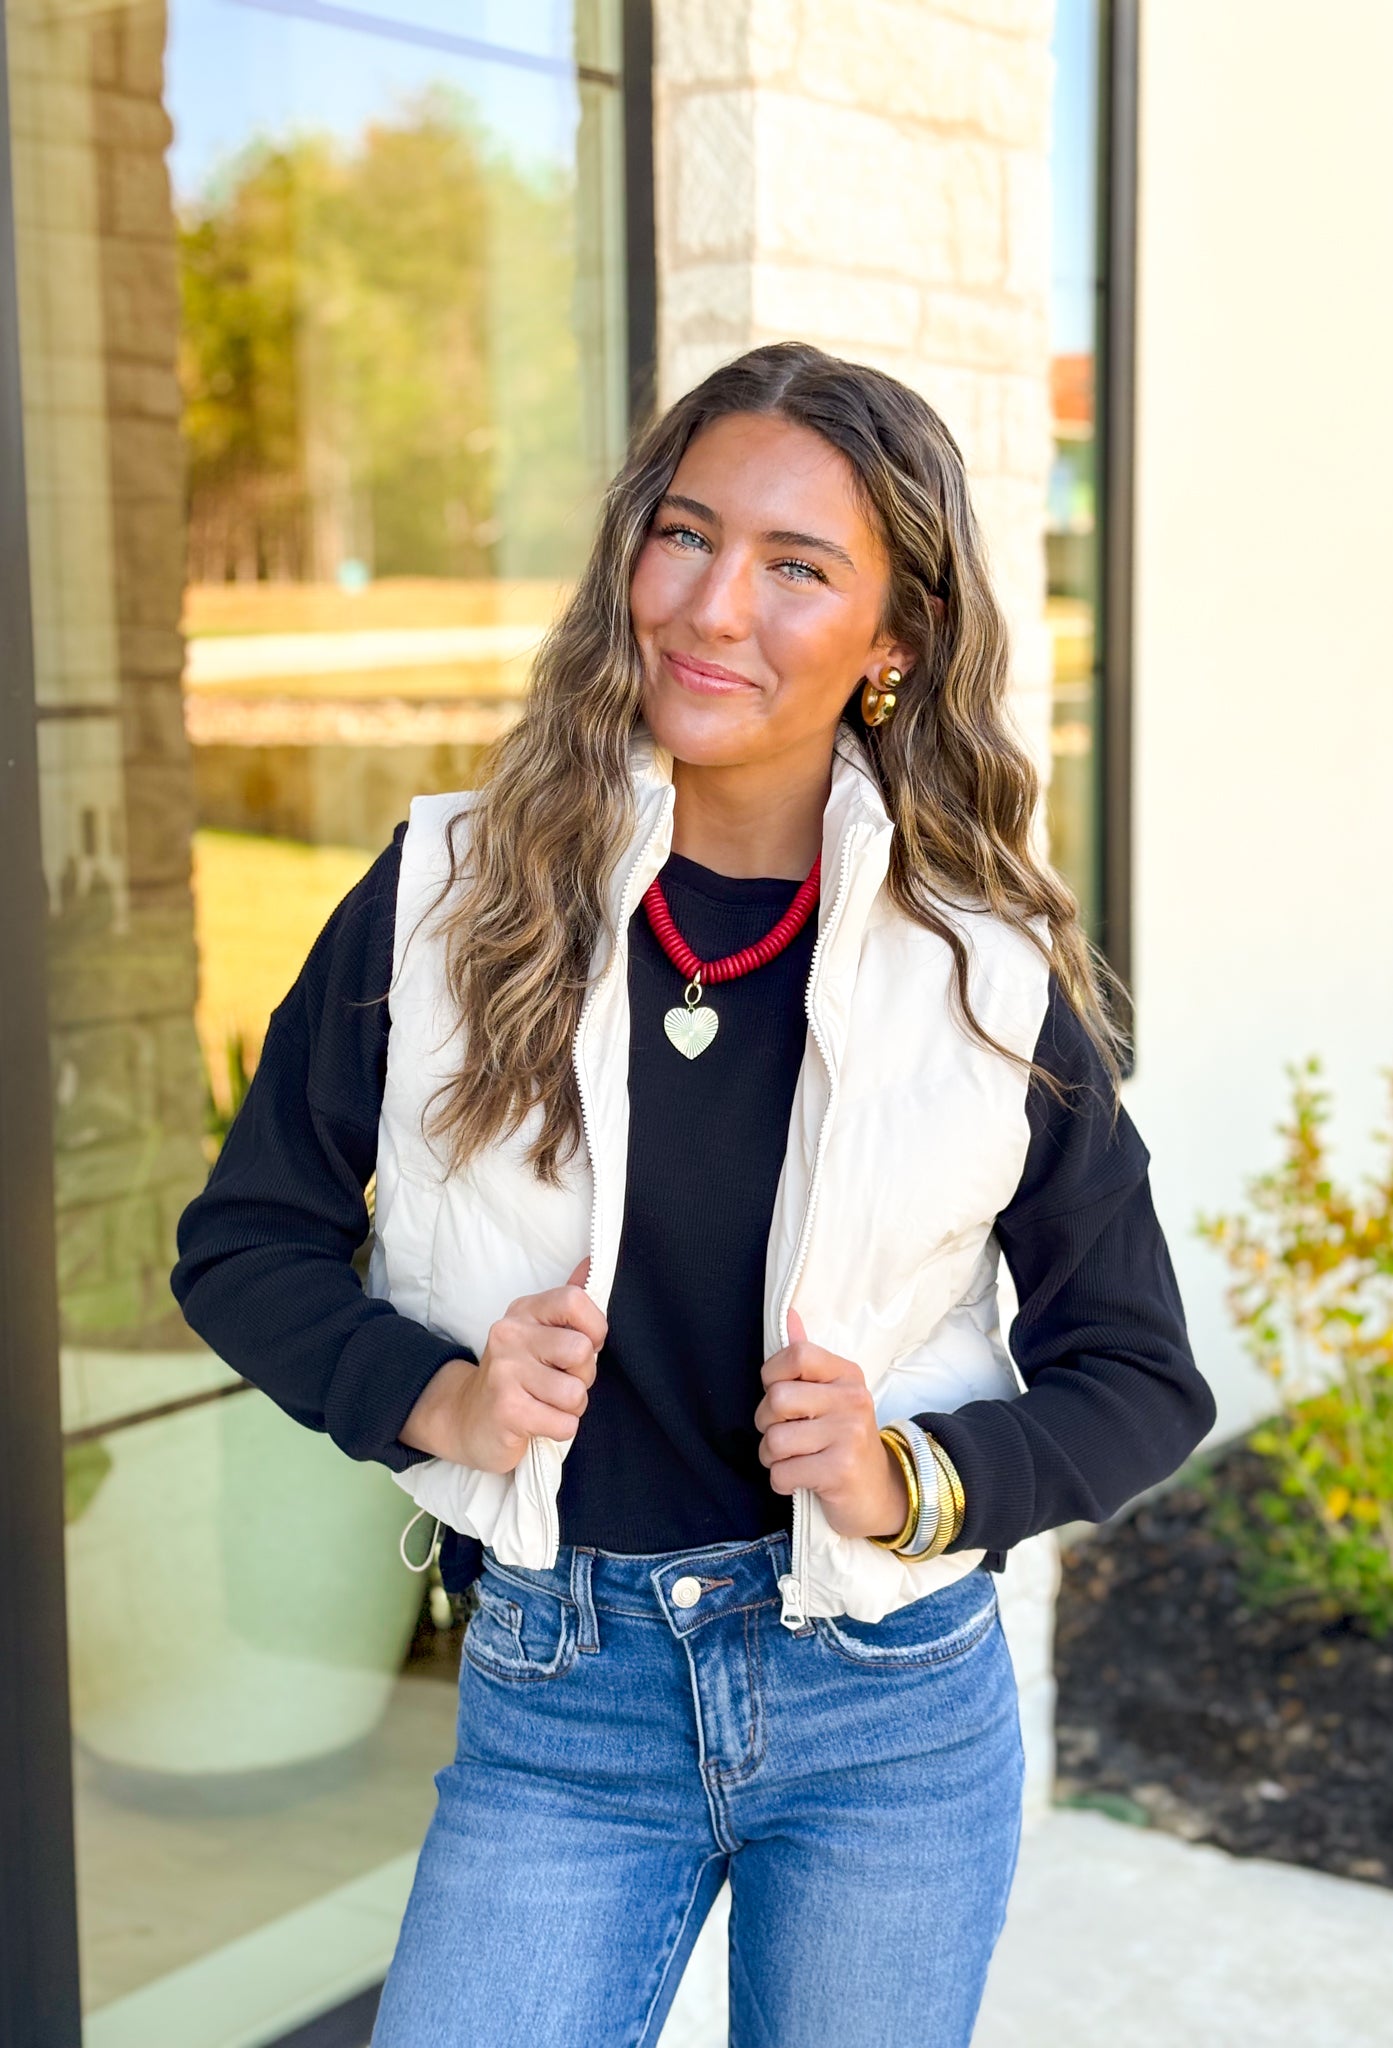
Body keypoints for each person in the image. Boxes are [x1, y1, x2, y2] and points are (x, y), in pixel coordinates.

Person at [172, 341, 1216, 2048]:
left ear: (895, 642)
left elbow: (1140, 1374)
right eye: (685, 534)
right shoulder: (448, 890)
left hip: (883, 1715)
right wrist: (441, 1394)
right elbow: (244, 1242)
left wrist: (915, 1479)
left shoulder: (983, 972)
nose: (713, 606)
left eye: (798, 568)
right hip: (560, 1703)